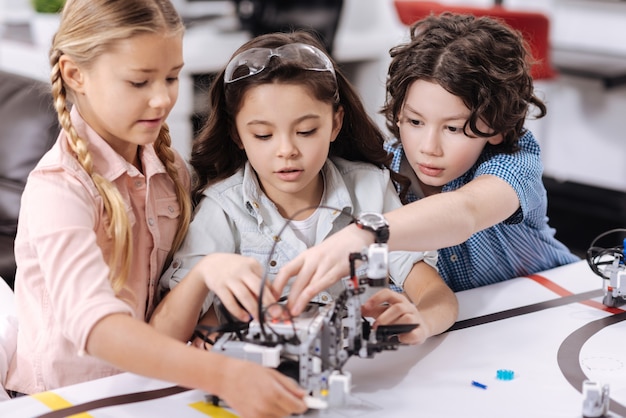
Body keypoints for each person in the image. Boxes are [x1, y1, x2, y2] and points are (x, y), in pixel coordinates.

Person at [5, 1, 308, 416]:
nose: (162, 99)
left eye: (172, 77)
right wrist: (223, 374)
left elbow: (166, 300)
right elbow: (96, 328)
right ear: (76, 75)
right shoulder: (58, 190)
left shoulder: (168, 169)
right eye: (139, 82)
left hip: (146, 389)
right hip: (67, 400)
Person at [152, 31, 458, 348]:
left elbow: (436, 296)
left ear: (335, 124)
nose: (287, 150)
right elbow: (162, 339)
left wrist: (420, 320)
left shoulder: (370, 188)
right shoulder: (223, 209)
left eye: (306, 131)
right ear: (237, 134)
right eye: (263, 135)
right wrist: (204, 273)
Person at [274, 12, 579, 315]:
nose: (429, 148)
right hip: (462, 333)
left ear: (496, 127)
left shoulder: (515, 161)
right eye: (415, 121)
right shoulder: (376, 174)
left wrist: (365, 234)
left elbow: (466, 211)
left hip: (558, 305)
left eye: (453, 128)